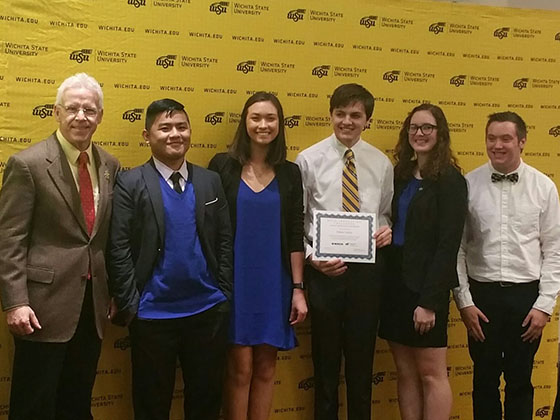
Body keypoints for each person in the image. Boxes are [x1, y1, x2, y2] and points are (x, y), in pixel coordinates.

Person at [0, 72, 120, 420]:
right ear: (56, 112)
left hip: (92, 306)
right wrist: (16, 302)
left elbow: (104, 238)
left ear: (99, 116)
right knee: (33, 404)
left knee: (76, 401)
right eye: (72, 108)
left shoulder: (110, 165)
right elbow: (10, 239)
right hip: (41, 309)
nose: (81, 117)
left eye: (89, 110)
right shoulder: (28, 164)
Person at [107, 98, 233, 420]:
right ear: (147, 135)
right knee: (151, 404)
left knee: (205, 403)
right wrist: (130, 303)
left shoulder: (210, 181)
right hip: (152, 315)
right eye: (165, 128)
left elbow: (224, 241)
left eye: (181, 126)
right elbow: (118, 246)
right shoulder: (130, 182)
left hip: (207, 311)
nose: (175, 134)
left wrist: (224, 294)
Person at [453, 111, 560, 420]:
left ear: (522, 142)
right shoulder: (468, 185)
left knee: (520, 381)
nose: (497, 145)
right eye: (491, 138)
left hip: (526, 298)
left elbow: (554, 251)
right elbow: (457, 249)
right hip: (481, 297)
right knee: (483, 380)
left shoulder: (544, 187)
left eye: (505, 138)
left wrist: (544, 306)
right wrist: (464, 302)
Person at [295, 83, 393, 420]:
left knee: (362, 366)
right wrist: (311, 258)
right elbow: (299, 218)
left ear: (367, 120)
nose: (347, 121)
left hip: (367, 276)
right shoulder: (308, 159)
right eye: (340, 114)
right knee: (324, 367)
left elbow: (384, 212)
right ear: (331, 115)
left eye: (355, 115)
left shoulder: (381, 163)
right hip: (323, 273)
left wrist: (386, 231)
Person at [208, 92, 307, 420]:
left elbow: (295, 234)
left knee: (266, 368)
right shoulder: (222, 166)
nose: (263, 125)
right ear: (244, 122)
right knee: (240, 369)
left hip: (274, 283)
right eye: (256, 118)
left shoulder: (291, 173)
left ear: (279, 124)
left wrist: (298, 288)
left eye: (270, 118)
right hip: (234, 282)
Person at [378, 104, 467, 420]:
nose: (420, 133)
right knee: (405, 371)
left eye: (427, 127)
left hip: (427, 287)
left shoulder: (451, 182)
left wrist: (429, 302)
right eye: (414, 127)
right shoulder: (400, 175)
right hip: (395, 285)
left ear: (440, 133)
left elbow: (448, 246)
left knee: (432, 374)